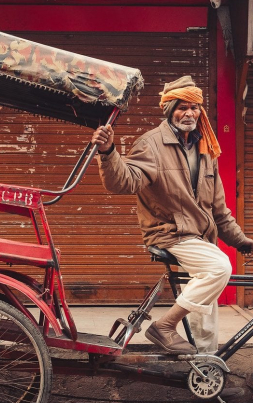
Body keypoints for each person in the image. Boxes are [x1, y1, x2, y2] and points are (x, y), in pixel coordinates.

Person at [91, 75, 253, 355]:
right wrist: (108, 152)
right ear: (169, 110)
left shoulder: (206, 149)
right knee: (219, 267)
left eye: (193, 107)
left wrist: (242, 242)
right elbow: (124, 182)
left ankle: (205, 365)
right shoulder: (151, 144)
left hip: (200, 237)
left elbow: (218, 211)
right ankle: (164, 326)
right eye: (181, 107)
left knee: (205, 299)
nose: (189, 113)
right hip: (170, 233)